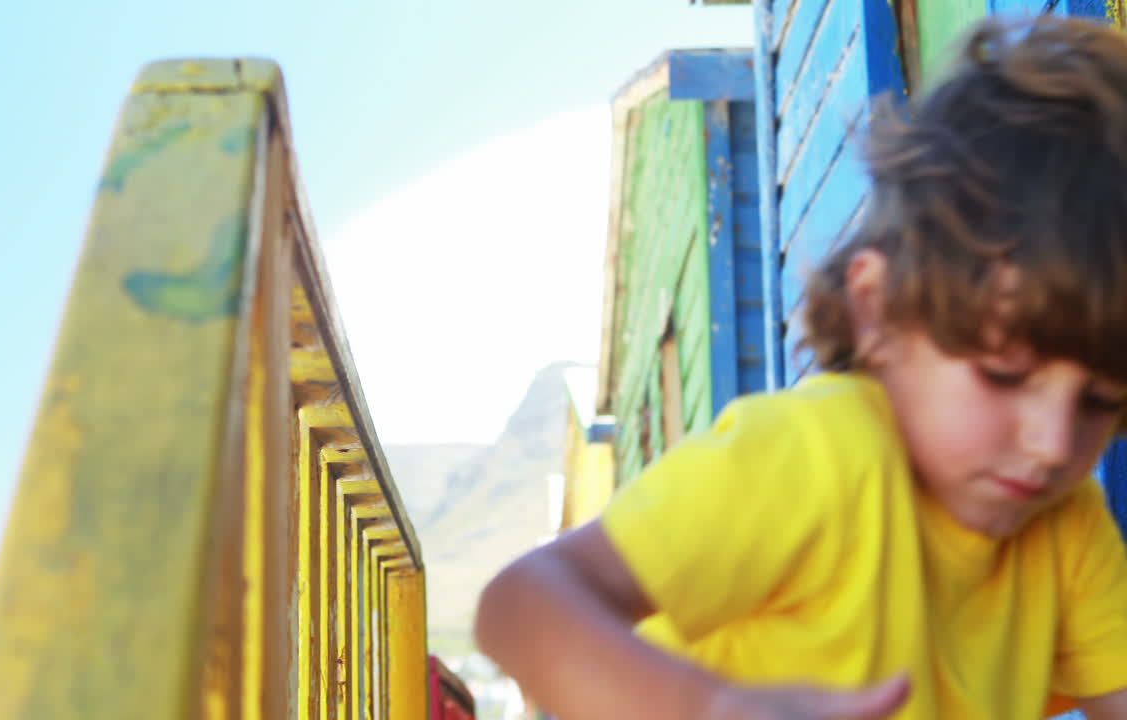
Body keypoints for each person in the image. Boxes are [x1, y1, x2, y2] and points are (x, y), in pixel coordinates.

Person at [474, 14, 1127, 720]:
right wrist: (714, 708)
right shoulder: (814, 457)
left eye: (1099, 400)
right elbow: (520, 603)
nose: (1054, 442)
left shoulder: (1067, 526)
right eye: (1004, 373)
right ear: (877, 310)